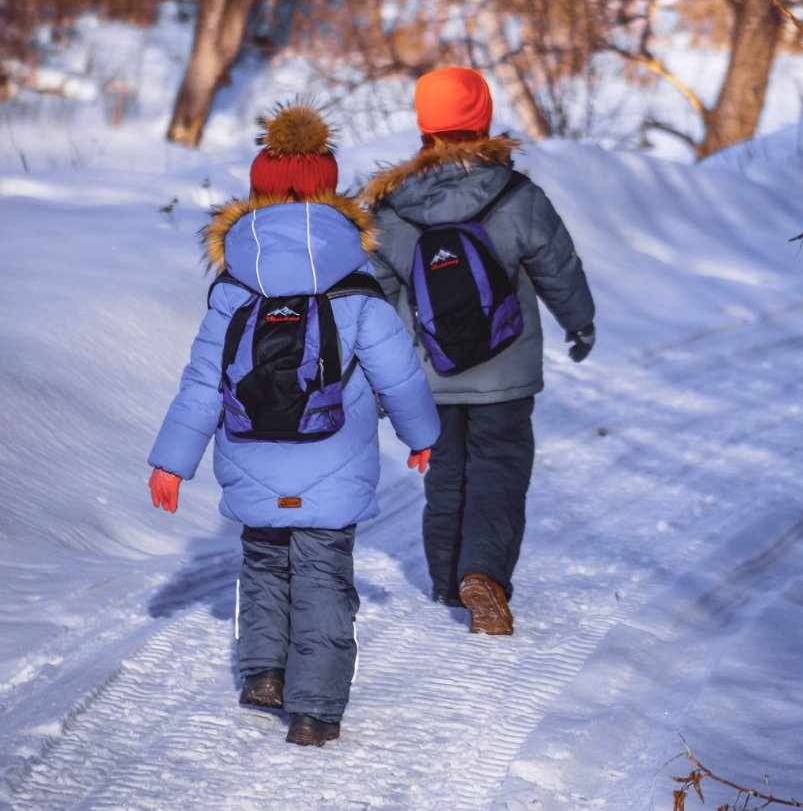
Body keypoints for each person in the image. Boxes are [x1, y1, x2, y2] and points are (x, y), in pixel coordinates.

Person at [147, 103, 439, 746]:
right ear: (332, 196)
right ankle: (315, 710)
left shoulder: (233, 285)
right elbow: (400, 375)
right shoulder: (355, 283)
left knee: (263, 564)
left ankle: (264, 675)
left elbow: (203, 382)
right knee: (323, 578)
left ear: (255, 196)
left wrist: (171, 461)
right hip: (332, 463)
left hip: (252, 455)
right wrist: (422, 437)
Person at [363, 67, 596, 636]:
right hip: (506, 369)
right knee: (499, 470)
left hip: (430, 372)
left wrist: (386, 376)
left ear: (425, 129)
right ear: (483, 120)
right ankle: (484, 576)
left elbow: (379, 298)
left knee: (446, 475)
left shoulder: (390, 210)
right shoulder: (517, 195)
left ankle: (447, 580)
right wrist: (580, 323)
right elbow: (557, 268)